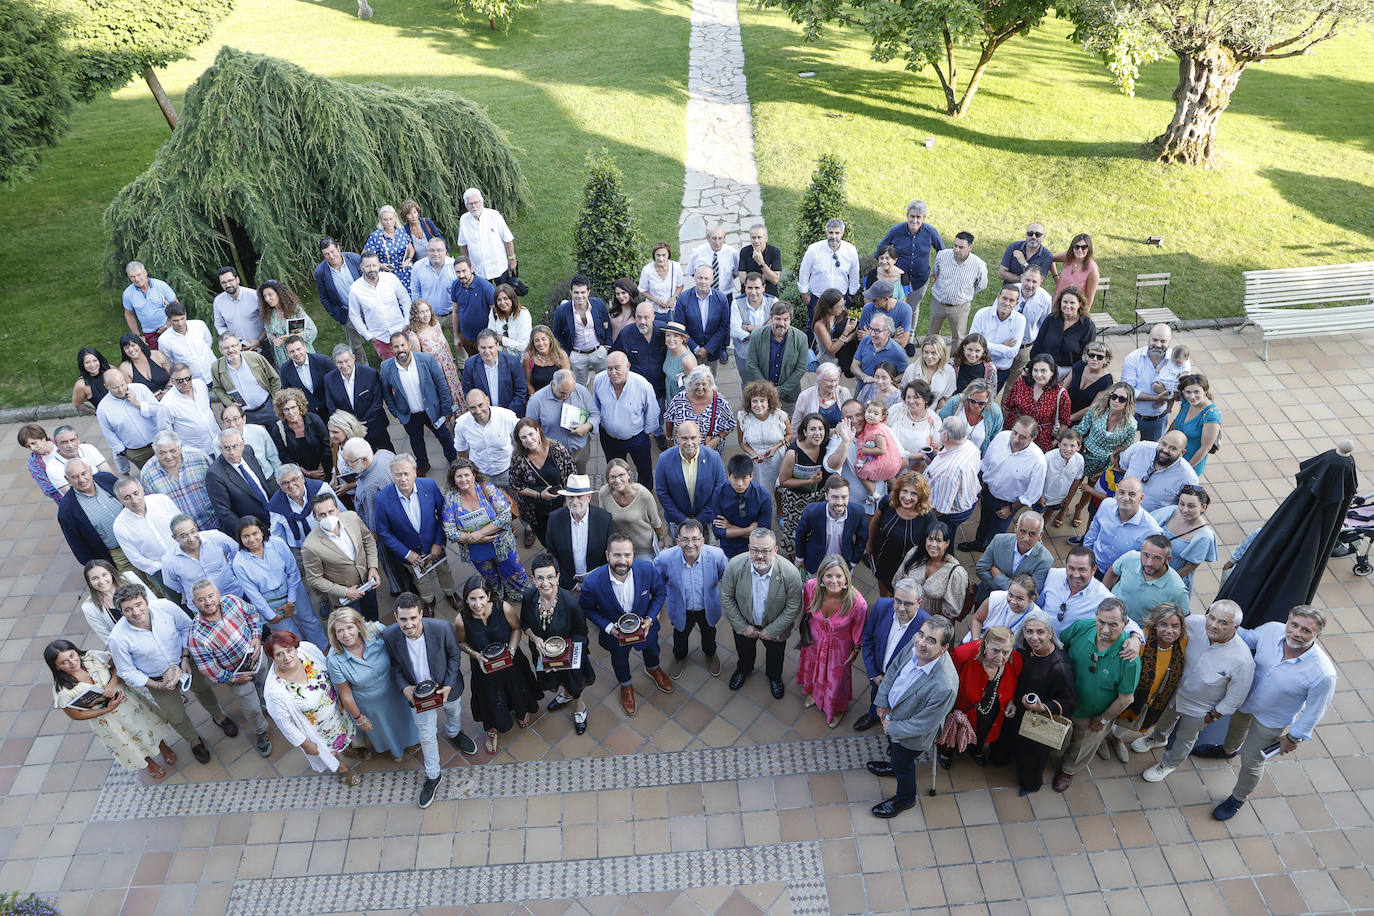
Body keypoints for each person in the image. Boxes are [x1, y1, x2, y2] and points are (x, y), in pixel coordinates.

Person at [1192, 605, 1338, 820]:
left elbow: (1315, 711)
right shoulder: (1272, 630)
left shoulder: (1323, 673)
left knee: (1252, 761)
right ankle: (1228, 751)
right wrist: (1220, 620)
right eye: (1294, 625)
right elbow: (1248, 637)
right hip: (1245, 701)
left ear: (1317, 634)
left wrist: (1293, 738)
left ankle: (1238, 798)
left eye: (1306, 630)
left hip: (1271, 720)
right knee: (1234, 733)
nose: (1296, 633)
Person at [105, 584, 235, 765]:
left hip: (185, 662)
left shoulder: (165, 607)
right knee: (176, 716)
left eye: (139, 604)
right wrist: (156, 685)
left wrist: (185, 657)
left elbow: (186, 628)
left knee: (203, 689)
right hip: (157, 679)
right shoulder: (118, 638)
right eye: (128, 609)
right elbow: (126, 670)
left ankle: (219, 716)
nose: (136, 612)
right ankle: (194, 741)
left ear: (146, 601)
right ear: (121, 611)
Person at [1137, 600, 1253, 781]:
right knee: (1164, 718)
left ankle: (1168, 764)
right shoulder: (1193, 623)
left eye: (1223, 622)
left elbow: (1235, 697)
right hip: (1174, 691)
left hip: (1201, 707)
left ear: (1236, 628)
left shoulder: (1242, 660)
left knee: (1185, 739)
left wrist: (1212, 716)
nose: (1214, 625)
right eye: (1212, 617)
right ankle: (1158, 738)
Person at [382, 593, 479, 807]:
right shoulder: (389, 636)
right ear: (396, 617)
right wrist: (404, 688)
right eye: (402, 619)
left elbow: (454, 656)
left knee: (454, 712)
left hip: (447, 688)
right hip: (417, 696)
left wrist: (448, 686)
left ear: (421, 614)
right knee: (426, 735)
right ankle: (433, 775)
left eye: (412, 619)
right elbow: (395, 666)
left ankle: (454, 733)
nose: (408, 625)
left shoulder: (442, 628)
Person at [865, 616, 959, 817]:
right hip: (891, 714)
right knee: (894, 751)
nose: (921, 643)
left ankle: (906, 798)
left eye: (931, 640)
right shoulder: (916, 643)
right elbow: (894, 669)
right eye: (921, 634)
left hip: (912, 736)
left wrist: (892, 728)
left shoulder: (944, 686)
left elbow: (924, 724)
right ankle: (893, 766)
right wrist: (882, 701)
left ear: (944, 648)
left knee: (903, 764)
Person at [46, 639, 176, 780]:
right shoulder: (62, 691)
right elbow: (76, 715)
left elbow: (117, 664)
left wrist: (113, 682)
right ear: (56, 667)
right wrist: (106, 710)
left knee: (148, 726)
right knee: (129, 742)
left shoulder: (92, 657)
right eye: (64, 662)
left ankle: (163, 747)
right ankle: (149, 762)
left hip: (129, 704)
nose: (72, 662)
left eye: (72, 655)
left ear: (75, 651)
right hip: (106, 720)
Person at [1050, 598, 1141, 791]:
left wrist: (1103, 718)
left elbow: (1126, 698)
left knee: (1083, 744)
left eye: (1113, 624)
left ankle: (1068, 770)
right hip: (1064, 702)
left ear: (1125, 624)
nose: (1106, 630)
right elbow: (1059, 647)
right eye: (1102, 622)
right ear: (1096, 618)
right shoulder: (1081, 628)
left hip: (1093, 714)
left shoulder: (1130, 658)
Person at [581, 534, 672, 715]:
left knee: (653, 650)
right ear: (607, 555)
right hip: (615, 636)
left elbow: (660, 594)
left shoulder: (647, 570)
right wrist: (609, 628)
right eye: (617, 555)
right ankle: (626, 685)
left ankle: (653, 668)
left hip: (646, 629)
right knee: (620, 661)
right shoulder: (593, 582)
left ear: (633, 555)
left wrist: (650, 618)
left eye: (627, 555)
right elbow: (587, 609)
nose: (622, 561)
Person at [989, 609, 1077, 794]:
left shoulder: (1060, 665)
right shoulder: (1027, 651)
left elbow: (1069, 700)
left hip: (1040, 718)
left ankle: (1029, 785)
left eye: (1040, 632)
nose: (1033, 637)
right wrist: (1012, 700)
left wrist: (1042, 707)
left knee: (1031, 755)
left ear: (1050, 633)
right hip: (1017, 710)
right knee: (1004, 741)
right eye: (1029, 631)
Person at [262, 630, 365, 786]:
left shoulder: (307, 649)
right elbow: (285, 725)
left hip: (337, 712)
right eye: (279, 654)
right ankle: (341, 768)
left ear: (295, 647)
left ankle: (349, 750)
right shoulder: (274, 692)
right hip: (318, 729)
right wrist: (305, 744)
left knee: (345, 733)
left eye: (289, 650)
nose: (286, 657)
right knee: (328, 750)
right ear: (272, 657)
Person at [184, 579, 274, 757]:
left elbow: (253, 614)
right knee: (252, 708)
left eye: (210, 596)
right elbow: (208, 669)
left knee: (269, 687)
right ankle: (261, 732)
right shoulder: (196, 635)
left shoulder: (233, 601)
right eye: (201, 600)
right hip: (236, 675)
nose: (208, 602)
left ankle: (272, 707)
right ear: (194, 604)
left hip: (257, 657)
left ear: (217, 593)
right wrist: (233, 679)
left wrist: (256, 637)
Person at [454, 576, 540, 754]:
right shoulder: (461, 620)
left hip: (511, 662)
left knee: (517, 687)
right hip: (484, 669)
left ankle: (521, 709)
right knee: (490, 698)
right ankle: (493, 729)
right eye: (472, 599)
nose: (477, 604)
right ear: (466, 599)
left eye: (481, 598)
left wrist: (513, 650)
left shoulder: (504, 608)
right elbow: (461, 643)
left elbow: (517, 628)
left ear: (489, 596)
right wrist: (476, 655)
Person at [325, 608, 420, 762]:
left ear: (357, 625)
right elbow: (345, 693)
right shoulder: (334, 660)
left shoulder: (376, 632)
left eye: (349, 627)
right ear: (334, 634)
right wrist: (359, 718)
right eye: (340, 631)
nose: (346, 634)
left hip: (395, 689)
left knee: (406, 719)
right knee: (385, 730)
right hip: (370, 703)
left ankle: (413, 741)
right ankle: (396, 751)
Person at [721, 528, 803, 698]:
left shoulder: (790, 573)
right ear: (749, 547)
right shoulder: (734, 566)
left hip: (775, 627)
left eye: (765, 551)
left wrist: (772, 630)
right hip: (744, 624)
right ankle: (744, 670)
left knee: (775, 656)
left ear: (775, 550)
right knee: (744, 652)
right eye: (755, 550)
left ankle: (774, 678)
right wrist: (742, 626)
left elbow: (794, 606)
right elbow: (726, 597)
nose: (760, 556)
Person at [374, 454, 459, 615]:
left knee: (444, 570)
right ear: (392, 475)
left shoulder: (429, 485)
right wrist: (406, 553)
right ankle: (428, 600)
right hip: (408, 551)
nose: (403, 478)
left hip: (434, 544)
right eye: (398, 474)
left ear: (414, 472)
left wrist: (438, 542)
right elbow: (383, 531)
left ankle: (450, 592)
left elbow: (443, 514)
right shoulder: (382, 499)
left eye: (406, 473)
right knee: (420, 578)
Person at [1104, 601, 1187, 762]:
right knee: (1112, 716)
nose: (1169, 630)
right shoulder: (1140, 642)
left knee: (1126, 722)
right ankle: (1099, 740)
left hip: (1153, 699)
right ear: (1154, 625)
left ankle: (1116, 738)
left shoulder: (1182, 643)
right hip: (1125, 695)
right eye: (1163, 624)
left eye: (1175, 626)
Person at [521, 553, 592, 733]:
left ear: (558, 577)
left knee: (574, 682)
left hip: (568, 655)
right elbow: (525, 624)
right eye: (540, 578)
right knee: (554, 680)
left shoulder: (571, 603)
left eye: (550, 577)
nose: (545, 583)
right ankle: (566, 695)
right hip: (542, 653)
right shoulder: (528, 597)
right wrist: (535, 638)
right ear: (533, 579)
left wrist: (561, 658)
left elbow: (581, 634)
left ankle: (579, 707)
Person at [796, 555, 869, 728]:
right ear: (821, 577)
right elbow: (807, 610)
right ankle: (813, 692)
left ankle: (837, 709)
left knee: (836, 680)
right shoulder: (810, 587)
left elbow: (858, 630)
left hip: (839, 646)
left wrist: (856, 650)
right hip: (815, 638)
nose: (834, 581)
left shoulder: (858, 604)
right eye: (829, 576)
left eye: (839, 576)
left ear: (846, 579)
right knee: (812, 667)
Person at [442, 459, 528, 602]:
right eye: (459, 476)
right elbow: (450, 531)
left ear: (474, 475)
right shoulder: (451, 499)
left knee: (513, 571)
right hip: (476, 550)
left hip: (502, 544)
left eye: (466, 475)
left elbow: (505, 516)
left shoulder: (486, 488)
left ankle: (521, 595)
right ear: (453, 479)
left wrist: (480, 534)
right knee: (490, 578)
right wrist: (476, 539)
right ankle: (498, 597)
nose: (464, 479)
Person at [938, 626, 1021, 767]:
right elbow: (944, 679)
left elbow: (1017, 684)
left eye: (1006, 652)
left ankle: (976, 750)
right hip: (962, 708)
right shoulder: (962, 655)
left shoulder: (1016, 660)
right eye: (995, 650)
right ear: (985, 644)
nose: (1000, 657)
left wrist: (1012, 701)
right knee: (953, 731)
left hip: (992, 710)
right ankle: (946, 752)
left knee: (983, 730)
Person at [961, 416, 1046, 553]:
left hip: (1006, 503)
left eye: (1023, 437)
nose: (1015, 439)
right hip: (988, 492)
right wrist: (981, 487)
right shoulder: (1001, 437)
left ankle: (991, 554)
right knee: (984, 521)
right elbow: (986, 463)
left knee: (997, 534)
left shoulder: (1038, 461)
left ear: (1032, 439)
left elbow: (1032, 494)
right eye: (1015, 432)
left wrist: (1012, 509)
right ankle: (979, 543)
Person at [654, 520, 728, 679]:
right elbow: (657, 580)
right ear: (677, 541)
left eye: (695, 539)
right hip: (681, 609)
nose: (690, 544)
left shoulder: (717, 555)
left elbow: (724, 575)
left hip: (707, 608)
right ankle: (679, 657)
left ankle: (710, 654)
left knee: (709, 635)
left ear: (703, 540)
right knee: (680, 636)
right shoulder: (665, 558)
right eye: (685, 539)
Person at [854, 579, 930, 731]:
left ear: (920, 603)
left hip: (902, 683)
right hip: (878, 675)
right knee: (876, 696)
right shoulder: (881, 606)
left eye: (908, 603)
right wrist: (873, 673)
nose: (901, 608)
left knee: (899, 711)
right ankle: (873, 715)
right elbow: (868, 638)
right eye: (897, 601)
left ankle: (893, 737)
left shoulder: (927, 625)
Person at [1060, 382, 1138, 530]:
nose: (1116, 401)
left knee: (1091, 488)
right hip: (1084, 454)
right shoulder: (1097, 409)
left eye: (1122, 399)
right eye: (1114, 396)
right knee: (1074, 482)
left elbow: (1124, 450)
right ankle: (1065, 507)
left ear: (1128, 402)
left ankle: (1079, 509)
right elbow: (1081, 429)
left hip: (1104, 463)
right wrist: (1069, 443)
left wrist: (1107, 470)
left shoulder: (1131, 425)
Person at [380, 331, 457, 472]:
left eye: (403, 345)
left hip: (432, 411)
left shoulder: (426, 360)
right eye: (396, 347)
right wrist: (396, 412)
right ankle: (423, 465)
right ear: (392, 349)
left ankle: (454, 462)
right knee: (416, 442)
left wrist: (446, 409)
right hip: (409, 415)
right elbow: (386, 393)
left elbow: (441, 384)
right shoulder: (386, 367)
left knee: (445, 438)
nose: (400, 349)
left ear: (409, 345)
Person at [303, 492, 381, 620]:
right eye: (322, 515)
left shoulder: (352, 517)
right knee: (353, 629)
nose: (328, 517)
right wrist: (345, 592)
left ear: (337, 509)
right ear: (315, 516)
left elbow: (367, 539)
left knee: (373, 618)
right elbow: (314, 579)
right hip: (345, 598)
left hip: (367, 582)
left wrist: (373, 566)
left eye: (330, 511)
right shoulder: (310, 546)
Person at [867, 472, 939, 596]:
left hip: (907, 566)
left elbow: (935, 544)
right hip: (883, 558)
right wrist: (869, 545)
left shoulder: (928, 517)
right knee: (883, 592)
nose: (907, 497)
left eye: (913, 493)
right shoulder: (888, 502)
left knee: (900, 595)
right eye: (904, 491)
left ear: (921, 496)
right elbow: (875, 523)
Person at [594, 351, 659, 482]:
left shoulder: (642, 385)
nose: (613, 373)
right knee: (616, 470)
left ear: (628, 366)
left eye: (617, 368)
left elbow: (652, 410)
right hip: (609, 438)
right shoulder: (599, 380)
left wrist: (647, 432)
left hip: (637, 438)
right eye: (609, 368)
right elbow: (596, 405)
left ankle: (645, 493)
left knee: (644, 469)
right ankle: (620, 493)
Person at [510, 418, 575, 549]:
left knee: (566, 538)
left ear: (538, 432)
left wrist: (567, 503)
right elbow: (516, 485)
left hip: (561, 504)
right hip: (535, 511)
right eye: (523, 437)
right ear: (519, 440)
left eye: (531, 434)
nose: (528, 439)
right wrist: (540, 495)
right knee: (547, 542)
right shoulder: (518, 457)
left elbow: (571, 475)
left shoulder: (557, 449)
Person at [655, 420, 727, 539]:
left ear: (700, 437)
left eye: (693, 438)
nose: (689, 443)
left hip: (707, 521)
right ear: (677, 438)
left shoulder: (714, 458)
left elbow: (719, 490)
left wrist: (700, 519)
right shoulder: (664, 459)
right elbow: (662, 493)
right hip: (676, 522)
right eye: (684, 438)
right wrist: (682, 519)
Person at [1077, 477, 1162, 573]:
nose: (1125, 498)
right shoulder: (1106, 505)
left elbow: (1145, 563)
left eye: (1132, 494)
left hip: (1119, 577)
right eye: (1121, 492)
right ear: (1116, 494)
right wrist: (1087, 560)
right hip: (1094, 564)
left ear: (1141, 498)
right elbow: (1092, 533)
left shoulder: (1152, 530)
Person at [205, 427, 278, 536]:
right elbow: (224, 513)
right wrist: (247, 532)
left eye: (235, 446)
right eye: (226, 448)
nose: (232, 452)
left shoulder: (248, 451)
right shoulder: (215, 475)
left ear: (242, 444)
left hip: (275, 515)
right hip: (252, 529)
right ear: (220, 448)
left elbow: (260, 481)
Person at [776, 413, 830, 559]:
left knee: (815, 529)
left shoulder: (826, 446)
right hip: (796, 500)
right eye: (812, 429)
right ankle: (795, 559)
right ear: (805, 431)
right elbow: (783, 481)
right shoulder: (793, 453)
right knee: (795, 532)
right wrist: (809, 481)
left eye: (821, 429)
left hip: (819, 498)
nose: (817, 433)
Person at [525, 368, 598, 474]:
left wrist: (587, 426)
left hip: (580, 450)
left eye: (570, 393)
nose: (567, 396)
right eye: (563, 393)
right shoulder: (536, 400)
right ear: (553, 384)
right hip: (553, 454)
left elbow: (595, 414)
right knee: (558, 488)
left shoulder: (581, 391)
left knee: (580, 485)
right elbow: (530, 429)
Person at [57, 460, 127, 569]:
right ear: (67, 479)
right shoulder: (67, 511)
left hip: (140, 541)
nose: (81, 479)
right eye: (74, 477)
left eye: (83, 473)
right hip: (118, 556)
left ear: (90, 470)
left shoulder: (107, 479)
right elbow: (78, 546)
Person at [1102, 537, 1190, 624]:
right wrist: (1102, 598)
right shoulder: (1129, 558)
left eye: (1157, 558)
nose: (1149, 563)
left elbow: (1184, 619)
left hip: (1139, 633)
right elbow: (1112, 572)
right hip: (1109, 619)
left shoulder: (1178, 590)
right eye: (1146, 555)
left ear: (1168, 560)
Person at [973, 512, 1053, 606]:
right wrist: (1017, 591)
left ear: (1041, 534)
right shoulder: (999, 540)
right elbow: (980, 569)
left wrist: (999, 577)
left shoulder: (1045, 560)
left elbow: (1031, 593)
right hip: (987, 597)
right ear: (1016, 528)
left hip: (1015, 608)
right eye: (1023, 531)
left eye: (1032, 534)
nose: (1026, 538)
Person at [324, 344, 392, 454]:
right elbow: (331, 406)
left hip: (374, 425)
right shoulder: (329, 379)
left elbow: (377, 402)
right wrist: (350, 424)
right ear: (334, 362)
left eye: (347, 360)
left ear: (353, 358)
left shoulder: (370, 373)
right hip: (349, 430)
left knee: (387, 452)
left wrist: (362, 423)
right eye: (340, 362)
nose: (344, 365)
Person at [111, 476, 179, 585]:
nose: (134, 500)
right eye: (127, 497)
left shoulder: (162, 500)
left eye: (136, 493)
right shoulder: (120, 526)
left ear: (142, 489)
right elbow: (135, 558)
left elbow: (182, 525)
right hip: (160, 573)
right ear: (119, 500)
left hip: (186, 558)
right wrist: (162, 567)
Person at [141, 433, 216, 530]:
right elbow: (152, 508)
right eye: (162, 453)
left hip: (214, 522)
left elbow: (219, 484)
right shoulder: (147, 474)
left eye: (172, 451)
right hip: (181, 533)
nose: (168, 456)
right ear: (155, 452)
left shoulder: (199, 457)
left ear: (180, 448)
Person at [1151, 484, 1218, 594]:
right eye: (1182, 504)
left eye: (1191, 506)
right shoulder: (1171, 512)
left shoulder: (1204, 536)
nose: (1185, 510)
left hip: (1171, 579)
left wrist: (1162, 582)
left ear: (1203, 507)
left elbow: (1189, 567)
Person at [876, 202, 943, 309]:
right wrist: (883, 268)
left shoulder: (931, 232)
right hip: (898, 279)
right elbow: (880, 248)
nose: (914, 220)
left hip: (920, 280)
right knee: (894, 307)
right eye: (912, 216)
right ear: (907, 216)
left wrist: (938, 270)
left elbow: (942, 252)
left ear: (924, 218)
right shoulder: (896, 230)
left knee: (913, 308)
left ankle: (911, 327)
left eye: (918, 217)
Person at [894, 522, 968, 620]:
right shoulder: (914, 554)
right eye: (930, 539)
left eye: (938, 541)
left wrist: (925, 625)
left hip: (932, 623)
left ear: (947, 543)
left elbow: (950, 611)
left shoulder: (955, 573)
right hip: (904, 614)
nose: (933, 544)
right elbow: (897, 582)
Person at [794, 476, 867, 574]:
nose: (840, 503)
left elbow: (863, 538)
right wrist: (799, 557)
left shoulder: (858, 512)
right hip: (816, 564)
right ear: (826, 496)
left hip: (843, 564)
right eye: (835, 497)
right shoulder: (812, 511)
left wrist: (854, 561)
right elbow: (800, 533)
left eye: (844, 497)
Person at [349, 250, 413, 362]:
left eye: (374, 265)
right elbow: (354, 316)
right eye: (368, 266)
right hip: (380, 337)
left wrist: (406, 322)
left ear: (379, 265)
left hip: (400, 330)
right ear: (361, 268)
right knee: (390, 368)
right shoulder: (355, 289)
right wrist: (368, 336)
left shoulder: (390, 279)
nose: (372, 269)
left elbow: (405, 300)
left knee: (410, 361)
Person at [315, 237, 369, 365]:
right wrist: (336, 314)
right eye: (326, 254)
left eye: (333, 251)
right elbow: (324, 297)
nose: (331, 256)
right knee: (356, 346)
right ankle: (364, 368)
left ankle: (386, 359)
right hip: (346, 312)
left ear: (338, 248)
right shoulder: (320, 272)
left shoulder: (354, 258)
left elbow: (368, 279)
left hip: (367, 307)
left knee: (379, 335)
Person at [599, 458, 668, 560]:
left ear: (629, 474)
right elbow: (603, 521)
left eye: (621, 475)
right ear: (608, 479)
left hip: (644, 548)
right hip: (620, 548)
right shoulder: (604, 493)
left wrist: (661, 539)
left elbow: (656, 522)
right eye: (612, 477)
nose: (617, 480)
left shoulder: (643, 495)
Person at [924, 416, 981, 533]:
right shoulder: (970, 446)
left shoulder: (949, 472)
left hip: (952, 513)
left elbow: (940, 509)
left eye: (940, 431)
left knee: (943, 536)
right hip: (968, 501)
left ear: (946, 436)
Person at [1115, 432, 1199, 512]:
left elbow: (1187, 507)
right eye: (1164, 444)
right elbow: (1122, 465)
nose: (1165, 450)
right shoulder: (1139, 449)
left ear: (1182, 452)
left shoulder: (1188, 478)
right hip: (1118, 509)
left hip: (1151, 522)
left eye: (1173, 448)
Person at [1003, 354, 1070, 454]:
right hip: (1014, 432)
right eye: (1035, 370)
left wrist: (1055, 442)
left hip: (1040, 440)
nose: (1038, 375)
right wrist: (1005, 429)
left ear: (1052, 372)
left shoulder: (1061, 394)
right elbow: (1008, 406)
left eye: (1043, 371)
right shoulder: (1021, 382)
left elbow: (1065, 422)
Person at [745, 302, 809, 407]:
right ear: (771, 318)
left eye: (785, 319)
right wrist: (767, 389)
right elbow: (751, 364)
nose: (781, 323)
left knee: (788, 423)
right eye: (778, 319)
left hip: (789, 397)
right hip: (762, 396)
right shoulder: (757, 336)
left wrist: (780, 391)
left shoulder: (801, 338)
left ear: (790, 320)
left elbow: (801, 368)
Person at [552, 274, 612, 385]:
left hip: (598, 351)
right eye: (576, 292)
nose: (580, 296)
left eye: (583, 292)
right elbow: (556, 333)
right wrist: (568, 352)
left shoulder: (598, 304)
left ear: (588, 292)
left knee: (605, 381)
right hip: (577, 354)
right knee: (580, 385)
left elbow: (608, 324)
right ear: (570, 292)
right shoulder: (562, 311)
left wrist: (607, 345)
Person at [711, 454, 773, 559]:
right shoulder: (719, 493)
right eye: (735, 478)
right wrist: (749, 530)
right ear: (729, 475)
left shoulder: (763, 496)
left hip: (756, 551)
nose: (740, 484)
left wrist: (730, 527)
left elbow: (763, 533)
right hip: (729, 550)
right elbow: (718, 532)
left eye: (744, 478)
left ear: (751, 476)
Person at [927, 232, 988, 340]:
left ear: (970, 247)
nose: (956, 249)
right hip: (938, 303)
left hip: (960, 307)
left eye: (961, 247)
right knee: (932, 334)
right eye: (955, 245)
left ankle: (955, 357)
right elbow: (936, 272)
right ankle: (931, 355)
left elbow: (981, 285)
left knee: (958, 338)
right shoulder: (942, 255)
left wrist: (965, 293)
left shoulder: (979, 265)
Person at [211, 334, 281, 427]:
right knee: (252, 440)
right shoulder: (217, 367)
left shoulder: (255, 358)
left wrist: (275, 400)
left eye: (233, 346)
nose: (231, 350)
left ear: (240, 346)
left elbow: (274, 379)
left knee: (276, 438)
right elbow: (217, 388)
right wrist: (230, 404)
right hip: (245, 415)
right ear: (221, 350)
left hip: (268, 407)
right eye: (226, 348)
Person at [97, 369, 160, 471]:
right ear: (106, 386)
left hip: (159, 441)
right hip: (137, 452)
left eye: (122, 384)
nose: (121, 390)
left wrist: (138, 404)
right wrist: (123, 451)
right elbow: (108, 433)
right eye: (115, 387)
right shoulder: (103, 408)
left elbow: (158, 410)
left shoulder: (141, 389)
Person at [737, 380, 791, 498]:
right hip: (755, 461)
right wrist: (753, 454)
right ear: (749, 403)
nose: (758, 405)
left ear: (769, 402)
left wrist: (776, 448)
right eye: (754, 401)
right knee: (756, 490)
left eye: (762, 401)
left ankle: (780, 512)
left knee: (778, 488)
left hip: (777, 458)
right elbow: (741, 442)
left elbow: (790, 434)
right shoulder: (743, 418)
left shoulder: (780, 416)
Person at [453, 388, 519, 485]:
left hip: (508, 471)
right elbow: (461, 451)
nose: (478, 411)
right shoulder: (462, 424)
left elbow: (521, 441)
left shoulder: (507, 417)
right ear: (467, 408)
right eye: (472, 408)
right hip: (481, 475)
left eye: (480, 405)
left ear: (488, 400)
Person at [1120, 323, 1174, 442]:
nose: (1158, 345)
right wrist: (1156, 398)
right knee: (1122, 450)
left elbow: (1182, 390)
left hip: (1157, 419)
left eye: (1163, 341)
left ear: (1170, 341)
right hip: (1130, 415)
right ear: (1149, 338)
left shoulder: (1178, 362)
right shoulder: (1133, 358)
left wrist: (1168, 397)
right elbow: (1127, 390)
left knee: (1150, 454)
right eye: (1155, 340)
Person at [1003, 266, 1054, 387]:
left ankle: (1005, 406)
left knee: (1012, 384)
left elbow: (1044, 325)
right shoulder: (1009, 291)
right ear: (1021, 278)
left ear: (1041, 282)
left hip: (1024, 348)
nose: (1030, 285)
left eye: (1034, 282)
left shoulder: (1045, 299)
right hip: (1003, 344)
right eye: (1027, 280)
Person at [969, 285, 1027, 391]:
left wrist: (984, 345)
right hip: (978, 366)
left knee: (988, 403)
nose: (1007, 303)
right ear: (998, 297)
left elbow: (1012, 353)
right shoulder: (982, 314)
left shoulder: (1020, 321)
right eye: (1004, 298)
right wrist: (1003, 346)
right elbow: (972, 343)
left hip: (1001, 371)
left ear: (1016, 303)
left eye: (1011, 300)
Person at [1032, 286, 1096, 381]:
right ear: (1060, 302)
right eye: (1065, 302)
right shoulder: (1051, 319)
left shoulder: (1087, 326)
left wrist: (1071, 377)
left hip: (1069, 372)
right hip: (1044, 368)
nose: (1068, 306)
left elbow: (1087, 356)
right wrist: (1034, 365)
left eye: (1072, 303)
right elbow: (1038, 344)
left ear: (1080, 304)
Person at [664, 366, 736, 450]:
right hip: (684, 451)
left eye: (704, 384)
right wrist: (669, 439)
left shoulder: (720, 402)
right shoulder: (679, 400)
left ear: (710, 383)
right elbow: (669, 419)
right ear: (690, 383)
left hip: (710, 452)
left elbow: (731, 424)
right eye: (697, 384)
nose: (700, 388)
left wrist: (718, 439)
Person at [80, 561, 149, 645]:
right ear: (89, 582)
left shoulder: (129, 578)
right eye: (95, 578)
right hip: (132, 644)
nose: (101, 581)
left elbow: (153, 603)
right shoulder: (89, 607)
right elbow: (108, 639)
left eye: (104, 575)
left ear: (111, 573)